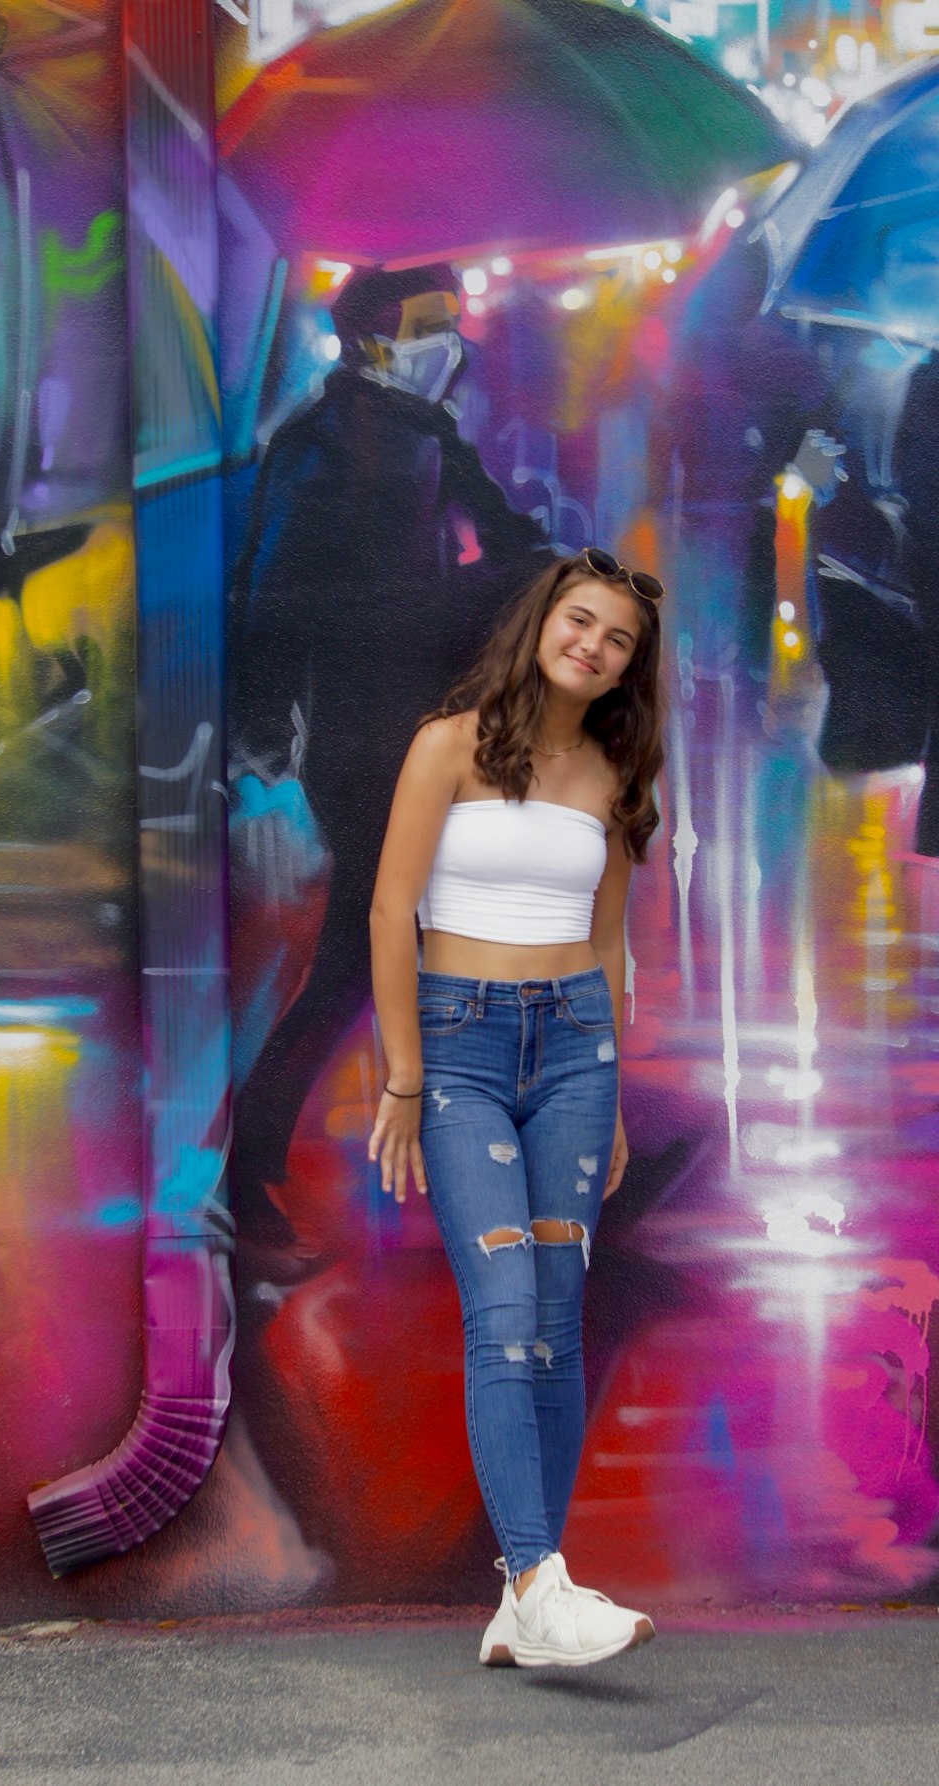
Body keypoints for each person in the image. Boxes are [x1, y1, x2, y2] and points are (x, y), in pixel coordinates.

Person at [367, 547, 664, 1668]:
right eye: (578, 621)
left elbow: (607, 942)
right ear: (543, 623)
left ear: (629, 665)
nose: (591, 644)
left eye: (617, 638)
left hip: (577, 1052)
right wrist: (405, 1073)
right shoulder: (449, 743)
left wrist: (614, 1087)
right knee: (503, 1308)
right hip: (460, 1046)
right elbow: (393, 909)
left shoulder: (615, 772)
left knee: (556, 1315)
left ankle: (528, 1594)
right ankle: (537, 1580)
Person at [229, 263, 554, 1215]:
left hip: (424, 726)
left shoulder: (428, 434)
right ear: (373, 339)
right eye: (429, 326)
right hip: (363, 739)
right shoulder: (319, 446)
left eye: (455, 325)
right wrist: (260, 735)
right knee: (367, 954)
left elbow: (505, 536)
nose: (448, 344)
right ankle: (252, 1152)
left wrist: (542, 575)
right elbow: (273, 597)